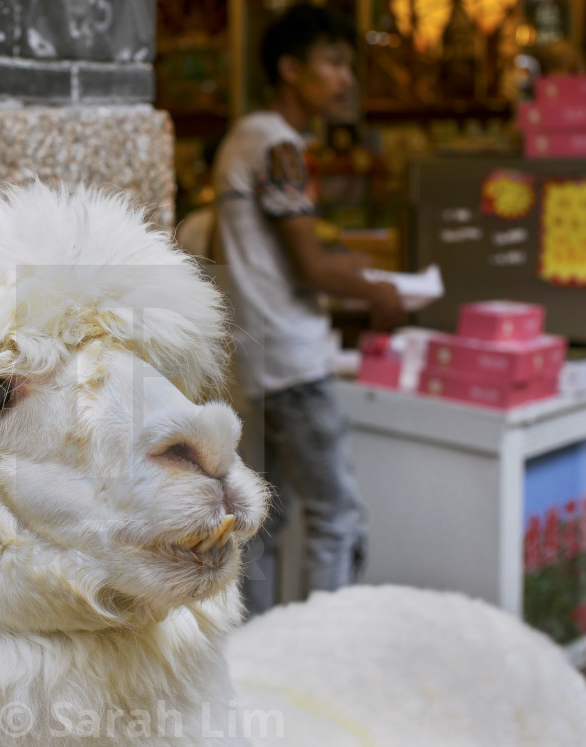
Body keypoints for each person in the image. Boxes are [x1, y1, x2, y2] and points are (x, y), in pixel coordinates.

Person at [210, 2, 405, 615]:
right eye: (333, 62)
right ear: (291, 69)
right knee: (335, 514)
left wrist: (348, 267)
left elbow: (298, 252)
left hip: (256, 355)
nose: (345, 78)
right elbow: (310, 267)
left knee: (268, 518)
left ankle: (260, 655)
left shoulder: (251, 136)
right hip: (293, 358)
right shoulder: (278, 146)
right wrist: (382, 295)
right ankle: (324, 657)